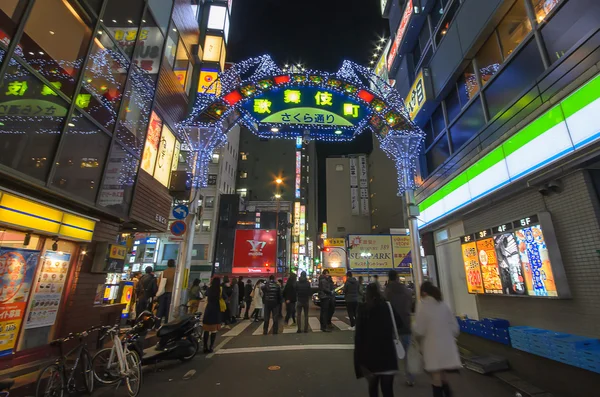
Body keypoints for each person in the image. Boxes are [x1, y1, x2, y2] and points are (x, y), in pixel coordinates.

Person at [413, 282, 461, 397]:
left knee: (436, 378)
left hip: (432, 347)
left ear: (423, 292)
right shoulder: (443, 304)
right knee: (442, 375)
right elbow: (455, 328)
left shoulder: (422, 305)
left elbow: (419, 329)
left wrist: (413, 327)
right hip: (447, 346)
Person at [354, 283, 398, 397]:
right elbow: (399, 324)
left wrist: (358, 362)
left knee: (373, 390)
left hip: (370, 357)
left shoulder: (363, 309)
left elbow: (359, 336)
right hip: (388, 355)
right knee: (388, 390)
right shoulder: (387, 306)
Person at [384, 270, 415, 386]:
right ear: (397, 278)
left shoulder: (386, 292)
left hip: (391, 325)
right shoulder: (407, 291)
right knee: (408, 352)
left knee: (390, 352)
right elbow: (411, 304)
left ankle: (390, 374)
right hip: (406, 324)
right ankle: (410, 377)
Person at [202, 277, 223, 354]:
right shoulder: (220, 290)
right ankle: (211, 346)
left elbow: (205, 295)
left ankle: (205, 346)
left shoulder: (209, 289)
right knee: (214, 330)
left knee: (206, 330)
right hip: (216, 310)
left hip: (209, 310)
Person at [156, 259, 176, 327]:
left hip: (163, 292)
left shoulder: (163, 272)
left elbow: (158, 283)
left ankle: (157, 324)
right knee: (168, 309)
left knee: (160, 309)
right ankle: (166, 324)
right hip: (171, 293)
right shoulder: (175, 272)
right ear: (174, 264)